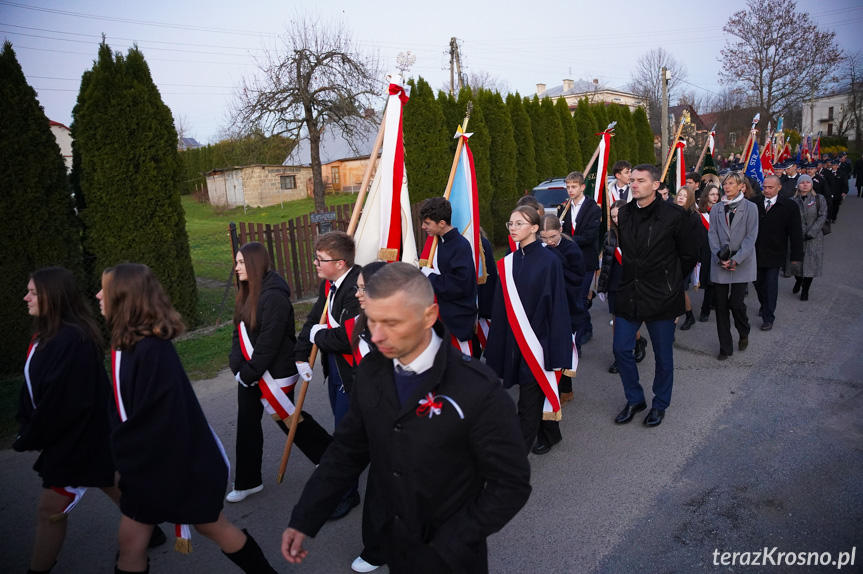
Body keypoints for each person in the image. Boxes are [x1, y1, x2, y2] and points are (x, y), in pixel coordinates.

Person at [281, 263, 532, 574]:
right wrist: (305, 516)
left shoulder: (477, 388)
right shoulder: (372, 371)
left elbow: (511, 483)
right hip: (396, 548)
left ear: (428, 316)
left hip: (453, 560)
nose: (377, 335)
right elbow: (346, 452)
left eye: (392, 322)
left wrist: (456, 538)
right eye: (371, 321)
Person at [98, 263, 277, 573]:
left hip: (173, 465)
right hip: (148, 465)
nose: (99, 294)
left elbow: (163, 419)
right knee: (131, 542)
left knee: (212, 527)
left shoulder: (152, 351)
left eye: (106, 289)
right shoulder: (125, 344)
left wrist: (125, 454)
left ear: (125, 297)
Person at [16, 267, 125, 573]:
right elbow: (36, 387)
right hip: (77, 438)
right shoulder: (48, 335)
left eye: (33, 293)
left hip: (77, 439)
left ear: (54, 296)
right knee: (108, 479)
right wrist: (27, 419)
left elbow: (65, 403)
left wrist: (32, 435)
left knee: (49, 509)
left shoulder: (71, 340)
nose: (26, 298)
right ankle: (147, 526)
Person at [227, 242, 332, 504]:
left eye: (241, 262)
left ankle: (330, 455)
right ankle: (248, 482)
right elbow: (237, 334)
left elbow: (269, 343)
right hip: (251, 372)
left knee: (287, 418)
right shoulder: (246, 291)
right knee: (247, 424)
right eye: (237, 262)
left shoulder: (274, 296)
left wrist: (248, 373)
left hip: (274, 372)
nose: (236, 267)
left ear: (253, 264)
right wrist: (237, 367)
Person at [612, 164, 697, 427]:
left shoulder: (674, 215)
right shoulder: (623, 213)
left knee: (663, 356)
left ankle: (660, 404)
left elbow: (690, 253)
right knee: (621, 349)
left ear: (655, 185)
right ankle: (635, 399)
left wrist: (670, 281)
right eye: (632, 180)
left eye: (640, 180)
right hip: (630, 293)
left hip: (662, 296)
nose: (634, 184)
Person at [486, 206, 573, 452]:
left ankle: (516, 454)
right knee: (533, 394)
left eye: (519, 224)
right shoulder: (507, 262)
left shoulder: (550, 262)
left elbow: (556, 307)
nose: (513, 228)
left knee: (528, 398)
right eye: (510, 224)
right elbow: (501, 308)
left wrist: (556, 348)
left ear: (534, 228)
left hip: (539, 342)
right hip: (515, 339)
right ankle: (551, 434)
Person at [295, 230, 363, 519]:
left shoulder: (358, 287)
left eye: (320, 259)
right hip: (336, 373)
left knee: (345, 440)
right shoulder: (331, 284)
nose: (315, 264)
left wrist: (317, 335)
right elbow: (313, 321)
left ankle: (347, 495)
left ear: (340, 263)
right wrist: (300, 353)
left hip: (356, 376)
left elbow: (347, 338)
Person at [344, 260, 387, 574]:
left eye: (362, 287)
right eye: (357, 286)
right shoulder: (364, 322)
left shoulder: (399, 327)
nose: (357, 292)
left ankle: (377, 549)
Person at [534, 214, 585, 454]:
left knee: (566, 351)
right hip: (547, 311)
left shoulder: (570, 249)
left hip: (568, 308)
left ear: (560, 231)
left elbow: (577, 280)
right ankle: (562, 388)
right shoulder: (541, 248)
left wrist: (555, 259)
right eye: (543, 238)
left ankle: (566, 389)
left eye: (552, 237)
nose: (548, 241)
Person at [709, 172, 759, 360]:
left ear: (740, 186)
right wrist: (718, 256)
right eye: (724, 183)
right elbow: (712, 235)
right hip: (720, 263)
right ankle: (725, 347)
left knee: (736, 304)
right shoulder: (717, 209)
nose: (727, 186)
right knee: (721, 307)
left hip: (742, 263)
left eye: (731, 183)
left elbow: (751, 236)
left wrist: (736, 259)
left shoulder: (751, 208)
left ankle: (743, 329)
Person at [419, 197, 479, 352]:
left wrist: (430, 276)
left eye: (427, 223)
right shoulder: (436, 242)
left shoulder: (460, 246)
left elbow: (460, 285)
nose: (423, 227)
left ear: (442, 223)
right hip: (439, 316)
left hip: (455, 319)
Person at [597, 200, 647, 374]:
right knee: (617, 321)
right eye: (613, 216)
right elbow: (606, 264)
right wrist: (601, 286)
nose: (617, 219)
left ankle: (638, 341)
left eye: (619, 215)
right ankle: (619, 356)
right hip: (614, 284)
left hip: (632, 283)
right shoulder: (609, 235)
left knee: (629, 320)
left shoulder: (639, 232)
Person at [753, 176, 804, 330]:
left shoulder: (789, 206)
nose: (767, 190)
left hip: (775, 253)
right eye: (765, 187)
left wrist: (795, 256)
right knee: (757, 283)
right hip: (755, 252)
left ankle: (769, 317)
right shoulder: (754, 203)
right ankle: (764, 304)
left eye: (771, 187)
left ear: (779, 188)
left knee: (770, 285)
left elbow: (795, 233)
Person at [557, 171, 601, 344]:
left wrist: (564, 239)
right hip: (569, 259)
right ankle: (588, 326)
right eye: (568, 187)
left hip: (586, 260)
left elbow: (589, 237)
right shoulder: (564, 207)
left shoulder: (593, 208)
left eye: (573, 186)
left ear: (582, 187)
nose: (570, 190)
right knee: (574, 297)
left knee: (580, 298)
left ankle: (579, 336)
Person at [792, 175, 828, 301]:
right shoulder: (793, 200)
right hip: (797, 237)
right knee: (796, 264)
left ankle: (805, 289)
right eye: (802, 183)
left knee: (810, 265)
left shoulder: (819, 198)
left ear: (811, 185)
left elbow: (822, 216)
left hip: (814, 238)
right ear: (798, 185)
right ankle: (798, 280)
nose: (805, 185)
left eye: (808, 182)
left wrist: (811, 232)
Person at [675, 185, 705, 331]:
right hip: (670, 258)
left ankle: (679, 321)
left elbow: (697, 242)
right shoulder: (671, 213)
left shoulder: (694, 217)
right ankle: (689, 315)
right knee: (677, 290)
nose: (681, 197)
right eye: (679, 195)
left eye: (684, 196)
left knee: (678, 289)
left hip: (685, 259)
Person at [696, 184, 721, 322]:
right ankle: (710, 304)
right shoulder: (700, 213)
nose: (715, 197)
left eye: (717, 194)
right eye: (712, 194)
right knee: (708, 280)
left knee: (713, 281)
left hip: (718, 250)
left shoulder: (723, 210)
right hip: (704, 250)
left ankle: (706, 309)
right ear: (706, 196)